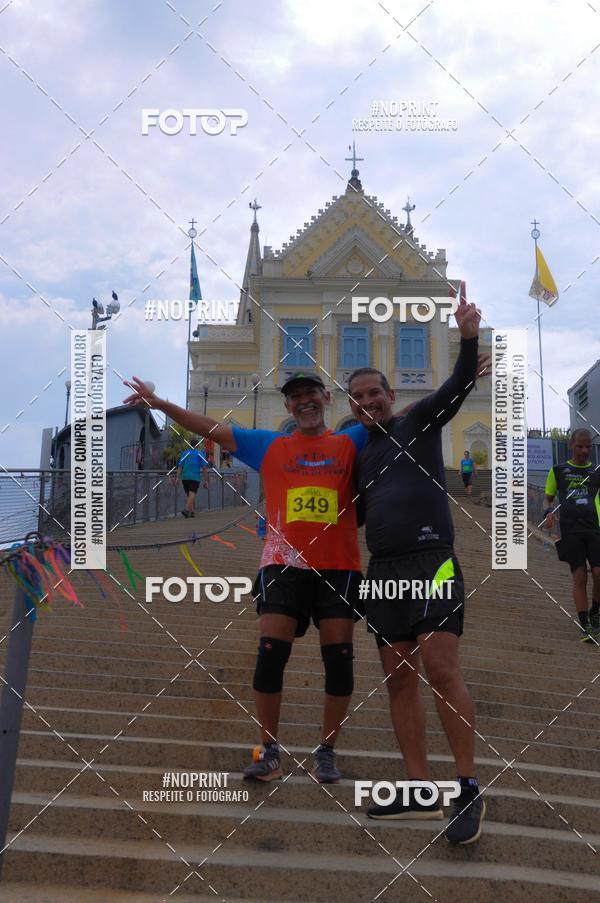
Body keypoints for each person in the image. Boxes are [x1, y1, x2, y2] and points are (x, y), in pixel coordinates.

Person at [123, 372, 366, 783]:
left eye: (311, 393)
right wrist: (160, 404)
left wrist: (463, 371)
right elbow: (210, 428)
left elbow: (411, 417)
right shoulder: (269, 444)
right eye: (295, 397)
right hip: (282, 564)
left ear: (327, 398)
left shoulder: (351, 440)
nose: (304, 401)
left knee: (339, 661)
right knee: (271, 654)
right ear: (287, 406)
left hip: (338, 567)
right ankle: (269, 751)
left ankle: (326, 751)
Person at [347, 295, 485, 845]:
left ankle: (467, 786)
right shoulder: (360, 458)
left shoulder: (418, 422)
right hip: (385, 571)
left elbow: (457, 385)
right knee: (399, 678)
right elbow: (348, 514)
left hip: (432, 562)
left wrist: (467, 336)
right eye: (358, 397)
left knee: (440, 668)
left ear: (390, 396)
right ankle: (419, 787)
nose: (367, 402)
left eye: (374, 393)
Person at [544, 428, 600, 644]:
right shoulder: (558, 470)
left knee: (598, 573)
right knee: (579, 576)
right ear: (570, 445)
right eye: (580, 446)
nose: (585, 451)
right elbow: (548, 498)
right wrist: (548, 512)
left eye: (588, 447)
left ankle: (595, 613)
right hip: (571, 531)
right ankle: (585, 625)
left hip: (595, 529)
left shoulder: (596, 472)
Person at [177, 438, 208, 518]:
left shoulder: (185, 453)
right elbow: (204, 468)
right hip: (195, 477)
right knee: (192, 493)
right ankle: (186, 510)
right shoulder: (200, 454)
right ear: (197, 445)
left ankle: (192, 511)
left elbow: (180, 466)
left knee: (189, 495)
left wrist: (177, 478)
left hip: (184, 477)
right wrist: (206, 480)